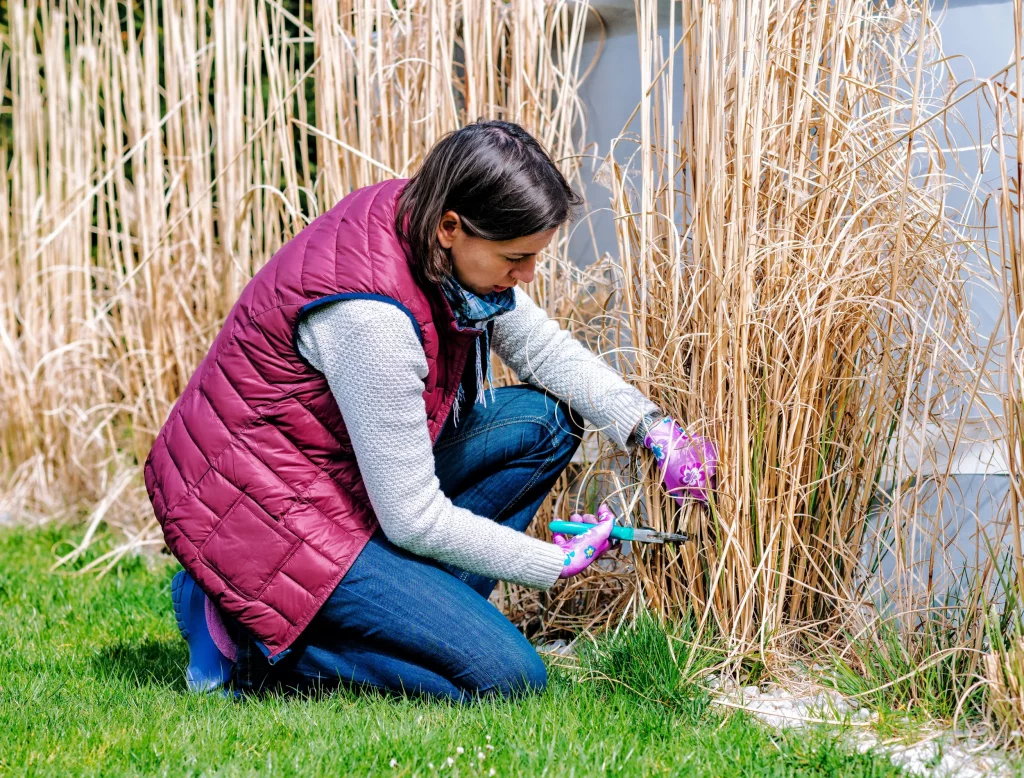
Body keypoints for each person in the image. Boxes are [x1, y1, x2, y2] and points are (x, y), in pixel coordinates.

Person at [145, 119, 717, 703]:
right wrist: (551, 563)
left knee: (545, 424)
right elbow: (413, 517)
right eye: (516, 258)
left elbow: (540, 348)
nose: (527, 276)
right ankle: (243, 638)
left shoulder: (423, 225)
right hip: (267, 518)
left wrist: (651, 428)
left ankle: (422, 618)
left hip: (334, 484)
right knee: (507, 680)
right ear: (451, 228)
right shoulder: (373, 321)